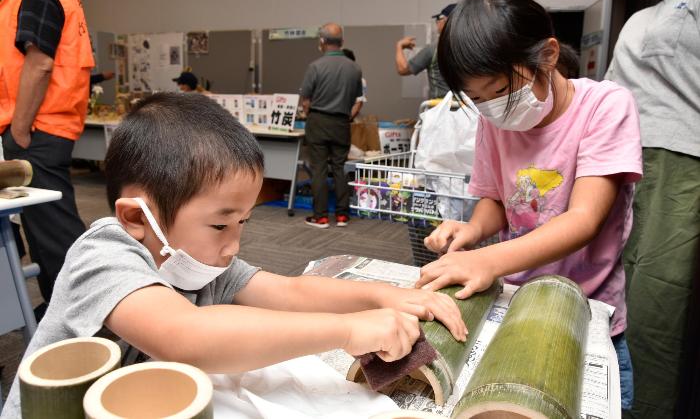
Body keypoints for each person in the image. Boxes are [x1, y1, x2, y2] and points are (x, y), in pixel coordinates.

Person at [1, 93, 467, 417]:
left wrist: (383, 297)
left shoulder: (197, 261)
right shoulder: (106, 255)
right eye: (220, 224)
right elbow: (185, 336)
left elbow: (288, 290)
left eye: (243, 223)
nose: (234, 243)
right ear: (138, 219)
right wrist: (347, 330)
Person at [415, 0, 642, 411]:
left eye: (500, 90)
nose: (493, 108)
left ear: (548, 55)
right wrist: (472, 229)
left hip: (587, 310)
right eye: (477, 99)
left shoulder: (606, 107)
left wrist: (486, 260)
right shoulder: (492, 122)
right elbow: (496, 201)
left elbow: (583, 221)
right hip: (513, 299)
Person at [605, 0, 700, 416]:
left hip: (683, 155)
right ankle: (605, 392)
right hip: (624, 151)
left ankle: (646, 406)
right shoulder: (641, 16)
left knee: (660, 291)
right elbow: (613, 85)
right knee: (612, 271)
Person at [0, 0, 93, 314]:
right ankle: (60, 305)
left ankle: (85, 312)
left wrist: (20, 129)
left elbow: (39, 62)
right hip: (44, 126)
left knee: (55, 230)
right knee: (42, 225)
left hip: (36, 129)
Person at [300, 23, 363, 228]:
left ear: (322, 42)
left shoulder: (315, 67)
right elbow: (355, 98)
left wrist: (311, 114)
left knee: (318, 169)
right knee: (339, 168)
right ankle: (343, 215)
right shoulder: (355, 68)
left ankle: (321, 217)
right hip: (342, 122)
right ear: (342, 42)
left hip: (318, 121)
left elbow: (306, 100)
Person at [395, 4, 455, 99]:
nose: (437, 23)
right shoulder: (470, 47)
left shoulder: (435, 49)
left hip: (441, 108)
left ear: (446, 21)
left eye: (438, 19)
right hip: (467, 108)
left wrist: (399, 46)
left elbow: (403, 69)